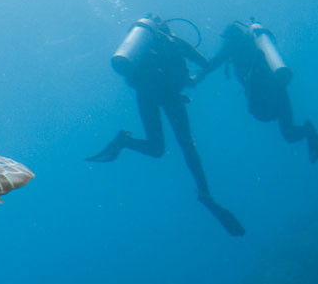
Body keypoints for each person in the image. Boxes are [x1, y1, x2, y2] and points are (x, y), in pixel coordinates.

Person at [87, 15, 244, 236]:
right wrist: (225, 52)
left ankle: (124, 140)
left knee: (157, 149)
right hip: (170, 97)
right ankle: (205, 193)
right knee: (188, 146)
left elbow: (131, 78)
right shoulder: (176, 42)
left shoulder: (143, 52)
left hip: (147, 96)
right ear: (166, 29)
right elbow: (207, 65)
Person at [194, 20, 318, 162]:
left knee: (264, 116)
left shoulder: (232, 44)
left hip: (262, 91)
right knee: (288, 133)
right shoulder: (253, 42)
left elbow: (215, 62)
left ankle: (313, 140)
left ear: (228, 38)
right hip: (278, 85)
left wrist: (200, 75)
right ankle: (315, 140)